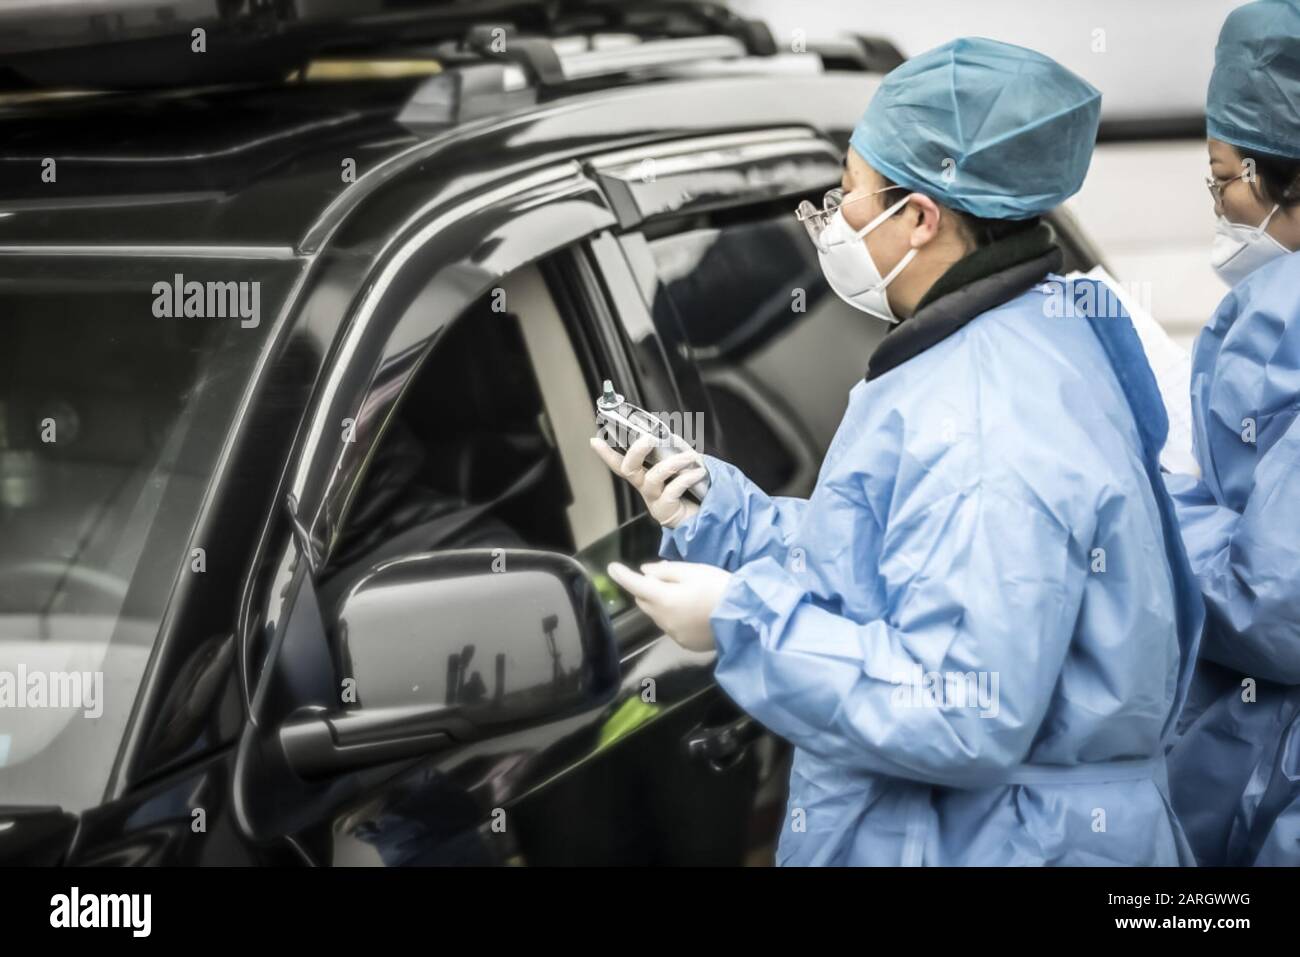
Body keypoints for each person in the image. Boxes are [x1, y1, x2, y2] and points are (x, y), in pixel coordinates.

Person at [590, 37, 1204, 866]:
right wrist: (724, 513)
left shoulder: (988, 423)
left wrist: (742, 621)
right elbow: (892, 567)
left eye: (846, 193)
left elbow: (960, 707)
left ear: (918, 218)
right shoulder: (1020, 335)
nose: (828, 220)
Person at [1164, 0, 1300, 867]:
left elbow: (1276, 605)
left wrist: (1153, 520)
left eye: (1222, 181)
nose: (1217, 205)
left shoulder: (1284, 322)